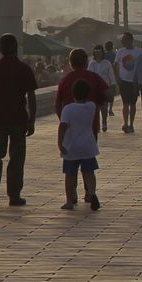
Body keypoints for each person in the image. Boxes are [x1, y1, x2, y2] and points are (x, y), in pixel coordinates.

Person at [0, 33, 38, 207]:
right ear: (16, 48)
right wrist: (32, 119)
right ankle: (14, 195)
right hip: (18, 118)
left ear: (1, 48)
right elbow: (32, 96)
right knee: (17, 157)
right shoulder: (24, 69)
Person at [59, 79, 102, 211]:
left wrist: (60, 142)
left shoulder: (68, 109)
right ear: (87, 94)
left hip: (71, 147)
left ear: (73, 93)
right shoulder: (91, 107)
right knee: (89, 172)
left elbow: (63, 126)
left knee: (70, 174)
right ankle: (92, 193)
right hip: (88, 145)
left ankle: (69, 201)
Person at [53, 48, 112, 121]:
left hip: (70, 126)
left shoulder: (64, 81)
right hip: (91, 125)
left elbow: (57, 105)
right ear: (86, 62)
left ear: (70, 63)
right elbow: (109, 96)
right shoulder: (95, 78)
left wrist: (63, 120)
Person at [114, 31, 140, 134]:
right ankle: (125, 123)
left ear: (130, 40)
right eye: (122, 40)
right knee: (125, 103)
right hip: (123, 81)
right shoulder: (120, 51)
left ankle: (131, 124)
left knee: (133, 104)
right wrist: (117, 78)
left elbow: (141, 67)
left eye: (124, 39)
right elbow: (115, 65)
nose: (122, 41)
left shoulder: (138, 52)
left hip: (134, 81)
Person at [89, 45, 116, 130]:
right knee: (95, 108)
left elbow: (111, 75)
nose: (98, 54)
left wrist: (112, 86)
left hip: (104, 88)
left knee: (104, 108)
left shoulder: (107, 63)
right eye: (96, 53)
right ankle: (96, 124)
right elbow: (89, 75)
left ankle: (104, 122)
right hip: (94, 88)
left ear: (102, 53)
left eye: (99, 52)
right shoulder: (92, 63)